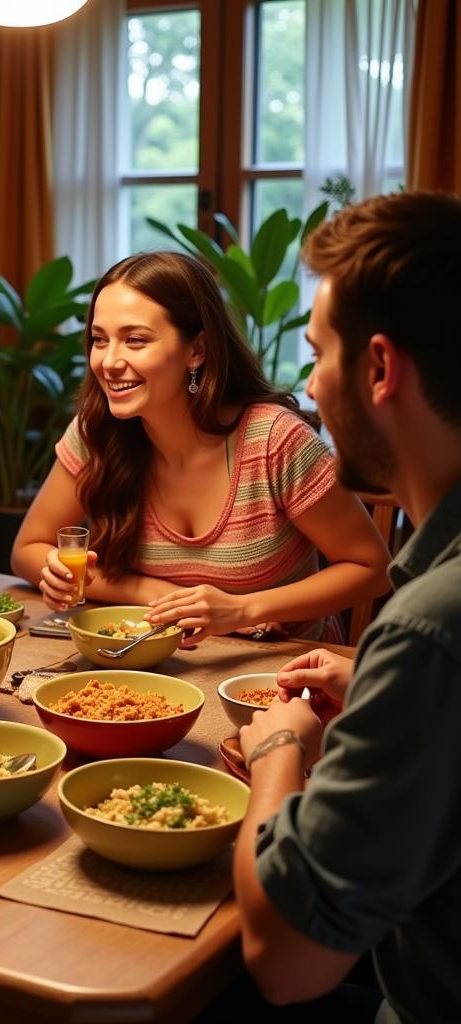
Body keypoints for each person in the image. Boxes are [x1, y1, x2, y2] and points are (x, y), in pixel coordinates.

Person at [232, 191, 461, 1022]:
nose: (310, 384)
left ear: (378, 369)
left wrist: (279, 749)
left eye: (317, 353)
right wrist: (374, 676)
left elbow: (288, 964)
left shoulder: (431, 625)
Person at [11, 251, 389, 643]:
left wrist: (244, 608)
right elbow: (27, 549)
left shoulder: (275, 441)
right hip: (157, 665)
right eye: (99, 340)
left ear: (197, 351)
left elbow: (373, 569)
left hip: (283, 674)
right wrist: (159, 596)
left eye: (135, 340)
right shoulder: (97, 430)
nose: (109, 362)